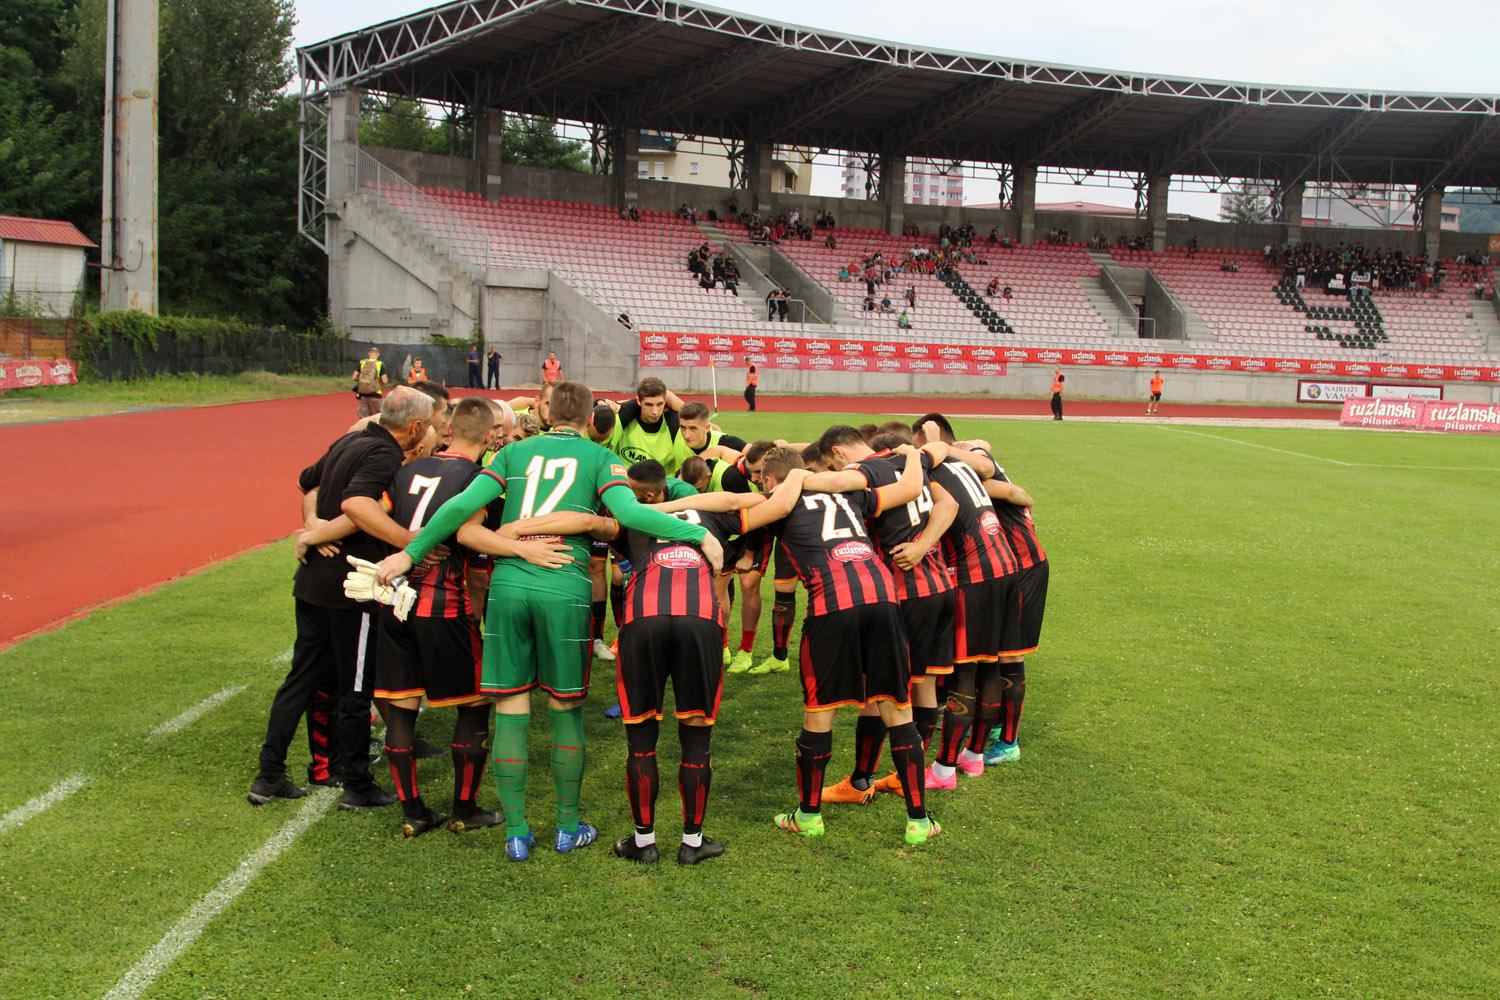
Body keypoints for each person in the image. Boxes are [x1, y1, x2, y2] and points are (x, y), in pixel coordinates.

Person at [375, 382, 724, 863]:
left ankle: (516, 833)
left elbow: (457, 510)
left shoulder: (512, 454)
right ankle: (565, 827)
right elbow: (626, 512)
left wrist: (409, 552)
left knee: (512, 710)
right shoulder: (599, 457)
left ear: (546, 412)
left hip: (510, 587)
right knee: (565, 710)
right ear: (588, 419)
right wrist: (694, 533)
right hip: (564, 584)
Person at [699, 446, 940, 846]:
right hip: (883, 599)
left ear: (772, 480)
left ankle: (808, 815)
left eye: (762, 479)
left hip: (833, 606)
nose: (759, 484)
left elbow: (727, 502)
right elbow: (910, 488)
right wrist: (915, 453)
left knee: (819, 710)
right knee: (897, 706)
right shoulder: (850, 493)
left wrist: (675, 503)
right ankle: (919, 820)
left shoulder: (777, 502)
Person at [364, 397, 559, 837]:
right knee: (473, 704)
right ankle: (464, 807)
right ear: (491, 437)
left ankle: (413, 811)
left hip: (394, 598)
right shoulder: (480, 479)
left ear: (448, 428)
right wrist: (477, 607)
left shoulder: (409, 468)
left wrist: (403, 544)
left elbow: (375, 509)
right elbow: (474, 555)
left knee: (401, 706)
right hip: (443, 603)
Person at [248, 387, 434, 810]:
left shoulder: (350, 439)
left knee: (302, 679)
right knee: (356, 686)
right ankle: (357, 783)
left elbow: (306, 482)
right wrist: (406, 542)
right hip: (353, 586)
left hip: (313, 580)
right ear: (417, 427)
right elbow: (357, 505)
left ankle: (269, 773)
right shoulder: (385, 455)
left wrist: (313, 526)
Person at [801, 426, 957, 806]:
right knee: (921, 683)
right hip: (940, 587)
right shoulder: (905, 462)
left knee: (880, 690)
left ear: (838, 454)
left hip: (905, 590)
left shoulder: (863, 473)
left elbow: (834, 483)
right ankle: (908, 777)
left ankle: (861, 780)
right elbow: (948, 505)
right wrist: (925, 544)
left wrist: (799, 478)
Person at [352, 347, 388, 418]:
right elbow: (385, 381)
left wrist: (361, 380)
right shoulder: (380, 364)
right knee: (377, 416)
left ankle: (365, 428)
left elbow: (354, 377)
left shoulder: (362, 362)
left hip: (363, 393)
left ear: (369, 353)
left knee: (364, 417)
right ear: (378, 354)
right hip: (375, 393)